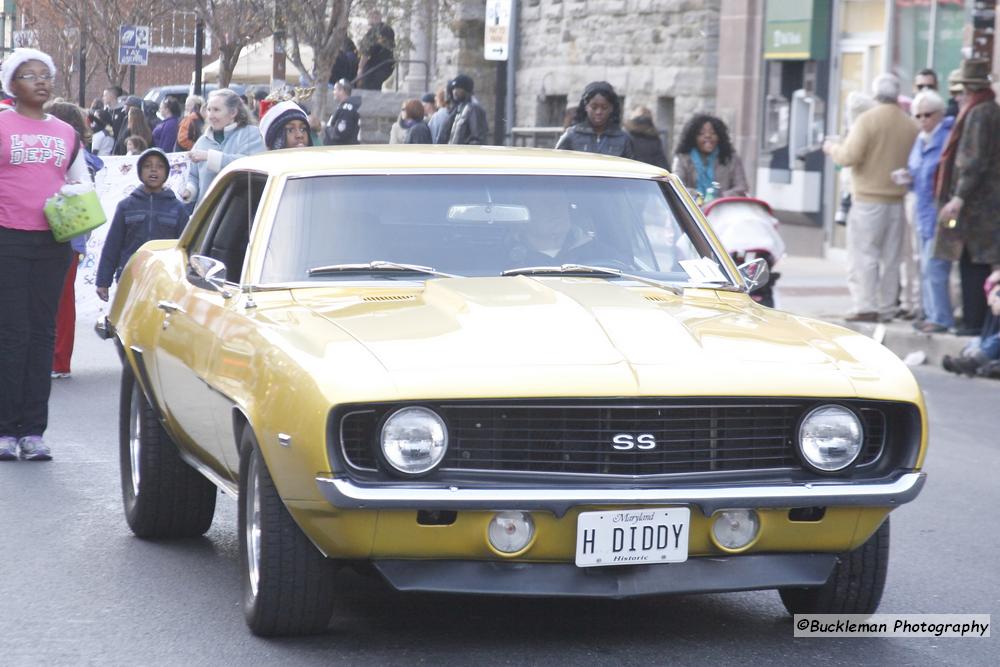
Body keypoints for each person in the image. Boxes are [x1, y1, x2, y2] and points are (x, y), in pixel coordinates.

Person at [0, 48, 91, 461]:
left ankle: (33, 431)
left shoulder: (66, 134)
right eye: (29, 75)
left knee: (42, 334)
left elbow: (80, 183)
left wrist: (77, 199)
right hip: (8, 239)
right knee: (11, 334)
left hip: (52, 243)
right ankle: (5, 430)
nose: (40, 81)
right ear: (11, 85)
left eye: (45, 74)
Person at [823, 74, 918, 323]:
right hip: (897, 200)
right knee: (891, 258)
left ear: (875, 95)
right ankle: (887, 307)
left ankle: (865, 305)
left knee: (864, 255)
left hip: (867, 199)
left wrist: (832, 148)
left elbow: (849, 156)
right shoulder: (909, 124)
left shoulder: (867, 120)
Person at [933, 58, 1000, 337]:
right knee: (980, 260)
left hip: (978, 203)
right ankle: (976, 320)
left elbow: (971, 160)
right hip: (987, 200)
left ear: (970, 89)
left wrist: (958, 197)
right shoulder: (989, 109)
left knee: (972, 260)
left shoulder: (979, 113)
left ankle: (973, 320)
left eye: (961, 90)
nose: (958, 96)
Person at [44, 100, 103, 381]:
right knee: (60, 299)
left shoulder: (72, 154)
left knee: (59, 300)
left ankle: (58, 359)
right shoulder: (80, 154)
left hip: (63, 235)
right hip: (70, 237)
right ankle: (57, 358)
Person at [96, 147, 187, 304]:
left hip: (165, 280)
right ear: (139, 172)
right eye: (147, 166)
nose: (153, 170)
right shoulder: (126, 206)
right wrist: (103, 281)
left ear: (166, 173)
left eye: (159, 166)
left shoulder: (178, 208)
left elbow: (186, 248)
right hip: (130, 278)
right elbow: (113, 245)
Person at [906, 89, 955, 334]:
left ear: (939, 114)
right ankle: (931, 314)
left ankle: (941, 317)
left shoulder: (946, 137)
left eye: (928, 115)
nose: (923, 120)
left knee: (936, 266)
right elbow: (917, 170)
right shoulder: (921, 139)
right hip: (923, 210)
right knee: (924, 265)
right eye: (918, 116)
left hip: (941, 211)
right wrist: (907, 178)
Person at [181, 89, 265, 206]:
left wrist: (209, 156)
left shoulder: (250, 133)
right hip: (207, 214)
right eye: (209, 110)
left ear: (233, 112)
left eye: (216, 110)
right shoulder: (202, 141)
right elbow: (193, 176)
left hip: (241, 214)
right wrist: (189, 191)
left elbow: (250, 165)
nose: (210, 115)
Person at [672, 113, 747, 199]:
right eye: (701, 133)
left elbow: (742, 188)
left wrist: (719, 197)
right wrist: (699, 196)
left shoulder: (731, 159)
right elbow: (677, 186)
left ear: (720, 136)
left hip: (722, 208)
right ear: (693, 137)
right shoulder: (682, 159)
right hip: (690, 209)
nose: (708, 136)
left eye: (713, 133)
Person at [556, 81, 633, 158]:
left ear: (611, 108)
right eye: (594, 107)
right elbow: (557, 163)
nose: (598, 112)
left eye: (604, 107)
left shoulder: (623, 138)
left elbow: (632, 167)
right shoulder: (571, 135)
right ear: (586, 107)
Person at [357, 10, 395, 90]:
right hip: (387, 66)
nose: (368, 20)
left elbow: (366, 51)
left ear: (373, 17)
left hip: (374, 67)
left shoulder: (373, 32)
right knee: (376, 88)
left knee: (366, 88)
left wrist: (360, 68)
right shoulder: (389, 30)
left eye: (369, 18)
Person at [446, 74, 489, 145]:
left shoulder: (473, 109)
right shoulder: (459, 108)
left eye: (458, 88)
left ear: (466, 90)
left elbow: (477, 138)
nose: (455, 91)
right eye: (453, 88)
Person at [323, 79, 361, 145]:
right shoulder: (346, 107)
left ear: (341, 91)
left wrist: (326, 127)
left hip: (342, 151)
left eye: (335, 89)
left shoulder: (346, 109)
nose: (333, 92)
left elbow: (340, 133)